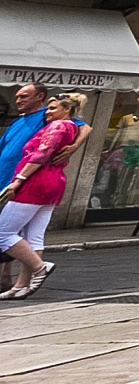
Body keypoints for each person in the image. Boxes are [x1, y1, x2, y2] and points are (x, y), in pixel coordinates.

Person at [0, 92, 86, 296]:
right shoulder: (69, 127)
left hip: (35, 184)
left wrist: (19, 180)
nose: (48, 112)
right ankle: (22, 285)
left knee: (2, 234)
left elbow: (42, 154)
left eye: (53, 108)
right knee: (34, 237)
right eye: (48, 108)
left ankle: (40, 267)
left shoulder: (58, 126)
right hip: (53, 184)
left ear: (67, 110)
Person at [0, 83, 49, 186]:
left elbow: (85, 127)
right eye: (17, 97)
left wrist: (73, 147)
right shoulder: (16, 121)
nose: (18, 101)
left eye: (23, 97)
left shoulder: (48, 116)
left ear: (39, 96)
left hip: (18, 181)